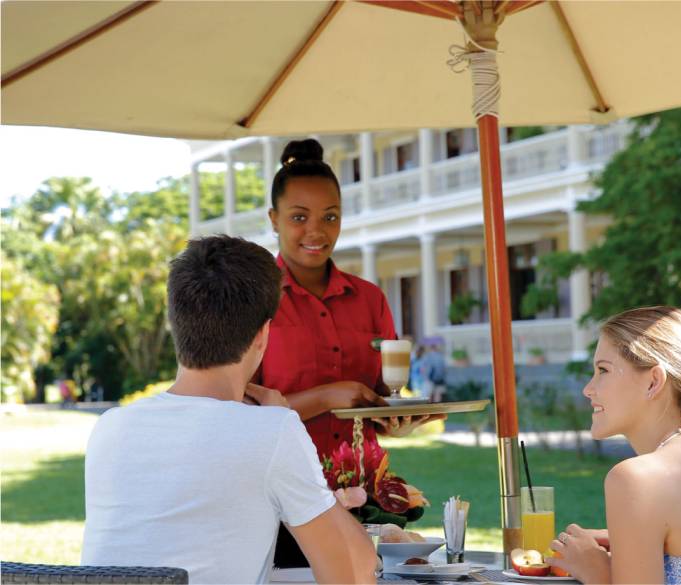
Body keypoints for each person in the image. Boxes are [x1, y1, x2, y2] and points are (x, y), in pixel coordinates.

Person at [82, 235, 377, 584]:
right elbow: (356, 573)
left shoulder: (110, 428)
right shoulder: (272, 431)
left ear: (176, 322)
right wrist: (282, 426)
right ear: (262, 336)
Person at [257, 138, 443, 566]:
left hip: (365, 498)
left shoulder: (370, 300)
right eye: (299, 217)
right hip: (281, 502)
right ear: (274, 219)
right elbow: (237, 412)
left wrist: (399, 420)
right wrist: (326, 396)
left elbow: (382, 398)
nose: (316, 231)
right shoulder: (256, 302)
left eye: (330, 217)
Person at [546, 306, 681, 585]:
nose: (588, 389)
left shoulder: (636, 478)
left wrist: (596, 571)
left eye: (603, 370)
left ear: (654, 381)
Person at [420, 338, 447, 402]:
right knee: (438, 394)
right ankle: (438, 407)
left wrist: (424, 376)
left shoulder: (427, 356)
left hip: (430, 378)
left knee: (429, 395)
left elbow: (423, 368)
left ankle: (430, 408)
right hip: (440, 379)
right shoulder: (441, 356)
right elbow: (444, 368)